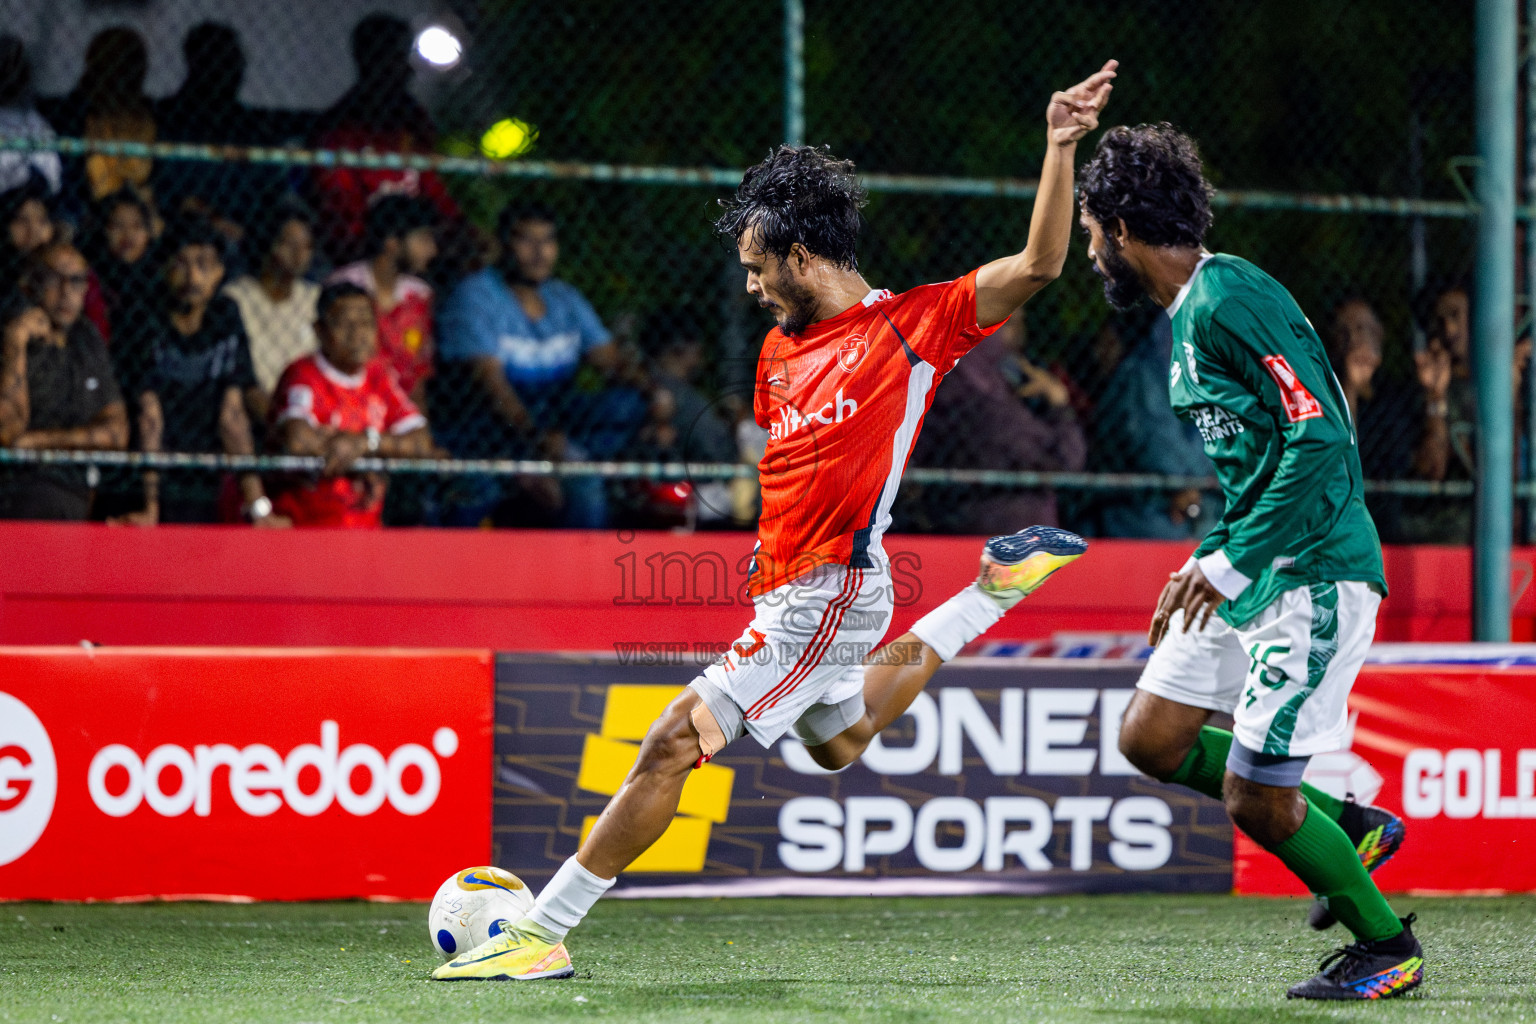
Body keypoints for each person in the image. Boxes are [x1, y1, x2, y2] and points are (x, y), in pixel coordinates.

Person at [430, 60, 1117, 983]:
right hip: (790, 591)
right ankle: (992, 592)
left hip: (830, 592)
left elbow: (1038, 265)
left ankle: (539, 930)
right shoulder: (777, 349)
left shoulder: (908, 330)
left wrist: (1059, 143)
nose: (750, 286)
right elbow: (784, 468)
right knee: (835, 743)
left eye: (757, 269)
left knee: (673, 739)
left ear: (799, 257)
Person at [1077, 123, 1420, 1000]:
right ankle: (1353, 824)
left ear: (1119, 228)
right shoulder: (1188, 320)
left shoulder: (1231, 295)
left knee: (1255, 798)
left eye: (1088, 231)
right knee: (1151, 738)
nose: (1088, 251)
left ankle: (1387, 948)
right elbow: (1266, 461)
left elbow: (1319, 439)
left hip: (1315, 574)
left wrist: (1230, 565)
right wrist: (1213, 555)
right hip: (1254, 563)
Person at [113, 214, 284, 527]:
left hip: (206, 468)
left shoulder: (225, 316)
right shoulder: (142, 317)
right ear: (164, 269)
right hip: (146, 470)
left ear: (219, 272)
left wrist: (259, 508)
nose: (193, 276)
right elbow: (148, 414)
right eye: (182, 264)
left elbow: (232, 415)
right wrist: (149, 507)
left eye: (204, 265)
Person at [266, 282, 433, 527]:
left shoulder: (380, 377)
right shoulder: (304, 374)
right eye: (344, 323)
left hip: (365, 529)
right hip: (304, 526)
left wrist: (364, 443)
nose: (357, 333)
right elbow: (298, 440)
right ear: (320, 331)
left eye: (366, 323)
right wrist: (362, 457)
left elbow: (421, 442)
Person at [913, 306, 1086, 532]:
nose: (1020, 334)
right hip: (1010, 536)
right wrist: (1059, 405)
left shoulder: (942, 377)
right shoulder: (982, 394)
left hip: (955, 524)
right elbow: (1065, 459)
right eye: (1011, 323)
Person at [309, 14, 458, 259]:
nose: (408, 69)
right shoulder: (339, 131)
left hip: (420, 246)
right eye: (397, 58)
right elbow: (341, 212)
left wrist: (455, 230)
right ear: (371, 60)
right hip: (367, 251)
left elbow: (434, 191)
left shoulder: (413, 121)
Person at [0, 244, 128, 519]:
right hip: (16, 490)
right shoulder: (11, 332)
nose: (66, 291)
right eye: (53, 279)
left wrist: (38, 442)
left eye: (76, 281)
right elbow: (6, 432)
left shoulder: (86, 337)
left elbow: (117, 432)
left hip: (73, 493)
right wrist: (15, 344)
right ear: (31, 285)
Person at [1091, 312, 1216, 539]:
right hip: (1144, 511)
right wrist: (1185, 484)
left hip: (1188, 504)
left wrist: (1192, 485)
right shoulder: (1144, 371)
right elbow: (1154, 438)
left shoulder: (1202, 369)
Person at [326, 195, 436, 406]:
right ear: (392, 243)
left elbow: (418, 376)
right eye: (423, 240)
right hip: (352, 406)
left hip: (400, 413)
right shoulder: (344, 286)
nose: (432, 250)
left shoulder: (420, 296)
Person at [225, 202, 321, 397]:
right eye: (290, 244)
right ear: (268, 242)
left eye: (307, 246)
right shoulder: (236, 298)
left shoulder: (313, 298)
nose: (300, 254)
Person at [0, 35, 62, 197]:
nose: (10, 77)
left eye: (16, 68)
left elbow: (52, 178)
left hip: (32, 203)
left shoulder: (37, 123)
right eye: (5, 67)